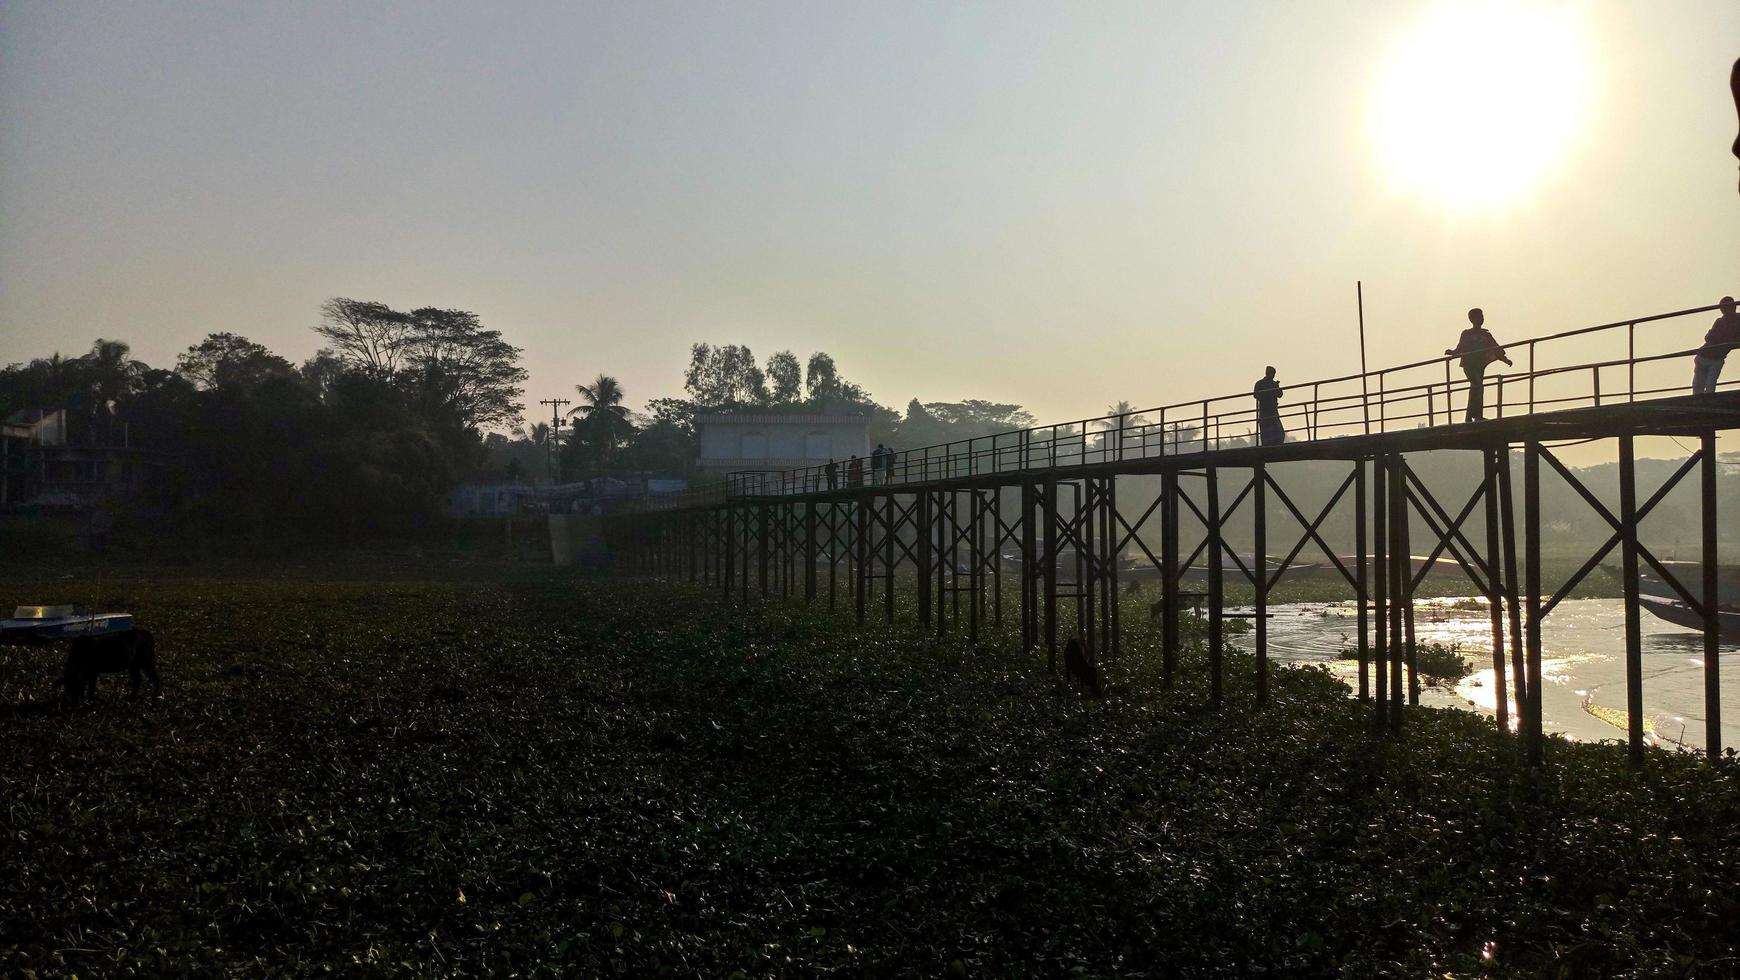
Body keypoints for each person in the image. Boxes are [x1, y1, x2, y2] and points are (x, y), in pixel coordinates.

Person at [1445, 308, 1512, 422]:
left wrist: (1505, 359)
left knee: (1477, 388)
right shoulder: (1467, 334)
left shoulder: (1485, 334)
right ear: (1472, 319)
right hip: (1469, 365)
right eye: (1479, 316)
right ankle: (1475, 416)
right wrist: (1452, 352)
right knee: (1477, 385)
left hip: (1480, 365)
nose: (1481, 318)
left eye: (1482, 316)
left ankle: (1472, 416)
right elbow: (1460, 348)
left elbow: (1495, 348)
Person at [1692, 296, 1740, 394]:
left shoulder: (1724, 322)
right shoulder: (1721, 321)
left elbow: (1709, 337)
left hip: (1715, 357)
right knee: (1699, 386)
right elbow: (1708, 337)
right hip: (1706, 355)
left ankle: (1702, 406)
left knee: (1708, 387)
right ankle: (1699, 405)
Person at [1252, 366, 1285, 446]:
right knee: (1276, 430)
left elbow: (1255, 395)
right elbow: (1280, 394)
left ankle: (1266, 445)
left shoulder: (1259, 383)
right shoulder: (1273, 384)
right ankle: (1275, 444)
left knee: (1265, 430)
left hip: (1264, 410)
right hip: (1271, 410)